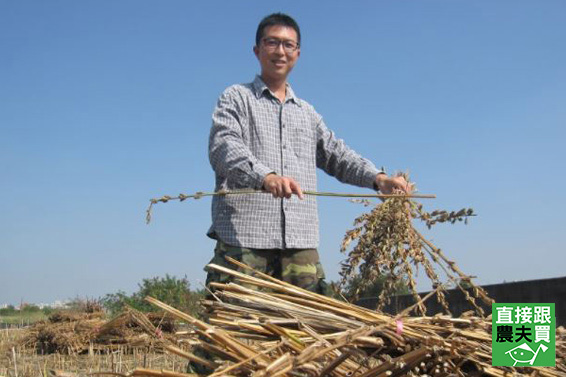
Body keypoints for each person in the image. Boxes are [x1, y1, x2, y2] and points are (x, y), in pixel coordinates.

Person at [205, 13, 410, 295]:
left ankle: (498, 335)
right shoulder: (235, 97)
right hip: (245, 242)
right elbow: (224, 147)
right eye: (272, 42)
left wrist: (378, 179)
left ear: (298, 54)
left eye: (288, 45)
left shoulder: (307, 113)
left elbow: (337, 154)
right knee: (237, 333)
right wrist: (265, 176)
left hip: (300, 245)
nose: (280, 51)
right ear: (257, 50)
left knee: (308, 333)